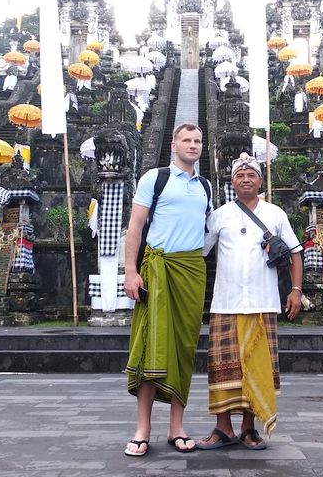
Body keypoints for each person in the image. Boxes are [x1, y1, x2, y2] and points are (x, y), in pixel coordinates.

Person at [197, 153, 303, 451]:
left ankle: (248, 428)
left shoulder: (275, 213)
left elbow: (295, 252)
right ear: (232, 182)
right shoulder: (219, 215)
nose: (245, 178)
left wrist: (295, 290)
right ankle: (222, 427)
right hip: (225, 303)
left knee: (255, 368)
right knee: (222, 367)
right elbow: (199, 252)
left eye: (251, 174)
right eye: (240, 175)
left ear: (260, 181)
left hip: (263, 302)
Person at [122, 122, 210, 457]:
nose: (192, 145)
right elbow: (135, 226)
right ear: (174, 145)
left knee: (185, 347)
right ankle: (143, 428)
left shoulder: (205, 186)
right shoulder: (154, 179)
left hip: (191, 271)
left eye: (198, 140)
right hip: (157, 269)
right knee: (149, 344)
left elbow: (209, 231)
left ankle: (177, 426)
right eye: (186, 140)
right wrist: (131, 271)